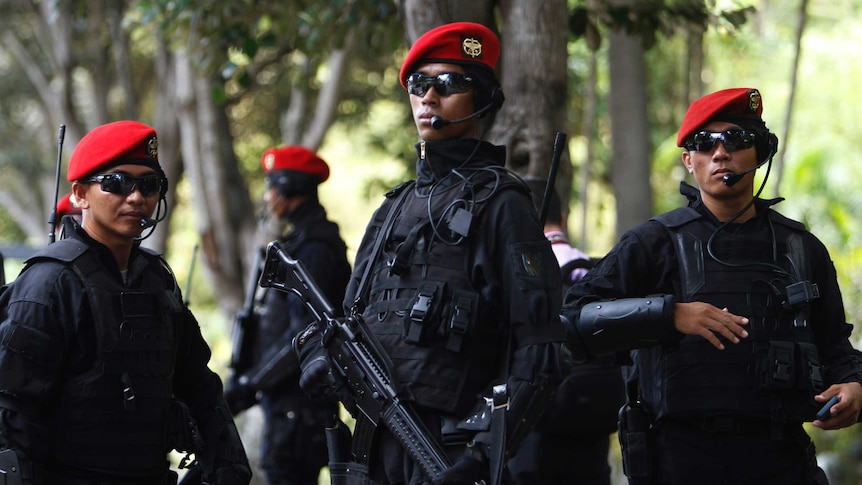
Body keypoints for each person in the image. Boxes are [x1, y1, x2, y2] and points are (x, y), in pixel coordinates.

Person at [293, 21, 571, 485]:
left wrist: (483, 457)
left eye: (449, 84)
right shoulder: (394, 207)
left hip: (449, 449)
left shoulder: (502, 204)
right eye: (419, 84)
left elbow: (542, 353)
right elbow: (347, 322)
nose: (429, 97)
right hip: (372, 449)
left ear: (482, 97)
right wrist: (318, 359)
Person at [561, 88, 862, 484]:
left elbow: (835, 345)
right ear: (689, 161)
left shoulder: (801, 248)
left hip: (782, 457)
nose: (720, 153)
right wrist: (669, 315)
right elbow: (573, 322)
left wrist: (855, 385)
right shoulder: (653, 243)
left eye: (736, 139)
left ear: (761, 151)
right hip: (681, 460)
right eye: (705, 143)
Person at [0, 120, 251, 485]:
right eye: (117, 183)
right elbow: (11, 417)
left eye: (149, 185)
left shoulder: (157, 279)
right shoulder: (49, 283)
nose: (136, 197)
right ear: (80, 194)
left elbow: (200, 386)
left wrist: (228, 466)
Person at [223, 145, 351, 485]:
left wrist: (252, 383)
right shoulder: (301, 243)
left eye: (271, 187)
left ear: (288, 187)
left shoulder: (314, 249)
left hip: (300, 410)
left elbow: (306, 333)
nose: (267, 198)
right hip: (289, 408)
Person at [507, 180, 624, 485]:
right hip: (593, 429)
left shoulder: (515, 277)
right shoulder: (598, 273)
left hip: (530, 434)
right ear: (562, 217)